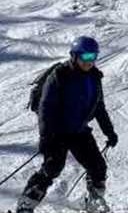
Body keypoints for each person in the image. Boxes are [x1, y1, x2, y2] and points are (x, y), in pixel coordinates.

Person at [16, 36, 118, 213]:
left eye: (93, 57)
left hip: (79, 131)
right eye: (85, 57)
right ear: (75, 56)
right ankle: (26, 205)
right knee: (52, 168)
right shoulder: (60, 75)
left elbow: (99, 107)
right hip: (57, 132)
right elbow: (46, 108)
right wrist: (46, 137)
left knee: (98, 166)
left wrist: (110, 132)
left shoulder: (94, 78)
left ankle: (93, 200)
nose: (90, 62)